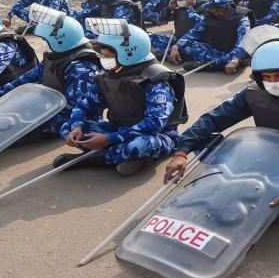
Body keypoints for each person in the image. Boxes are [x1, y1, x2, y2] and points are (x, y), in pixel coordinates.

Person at [165, 38, 279, 212]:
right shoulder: (253, 93)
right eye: (266, 76)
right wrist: (181, 151)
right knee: (205, 143)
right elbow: (214, 119)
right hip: (268, 152)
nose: (273, 83)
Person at [56, 20, 186, 176]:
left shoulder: (156, 83)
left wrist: (109, 139)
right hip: (119, 128)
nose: (102, 57)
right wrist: (77, 126)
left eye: (107, 54)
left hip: (156, 136)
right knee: (66, 127)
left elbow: (154, 124)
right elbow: (86, 104)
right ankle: (121, 156)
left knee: (141, 144)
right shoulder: (110, 76)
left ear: (128, 53)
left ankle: (94, 158)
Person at [0, 5, 104, 140]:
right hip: (48, 105)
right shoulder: (57, 57)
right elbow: (28, 77)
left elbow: (75, 109)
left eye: (47, 40)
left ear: (59, 40)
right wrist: (0, 95)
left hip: (63, 117)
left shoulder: (81, 69)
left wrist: (30, 112)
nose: (45, 42)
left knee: (4, 129)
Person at [168, 0, 250, 72]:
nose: (209, 11)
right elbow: (194, 32)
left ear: (221, 10)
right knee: (188, 48)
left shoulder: (241, 19)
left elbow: (243, 42)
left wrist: (235, 59)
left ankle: (214, 64)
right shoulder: (210, 17)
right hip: (216, 49)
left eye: (212, 10)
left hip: (234, 53)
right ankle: (215, 64)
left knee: (230, 59)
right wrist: (176, 46)